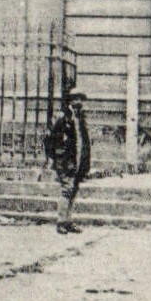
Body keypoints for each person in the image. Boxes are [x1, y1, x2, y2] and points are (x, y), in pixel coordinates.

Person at [44, 88, 91, 234]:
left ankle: (68, 221)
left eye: (81, 99)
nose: (79, 102)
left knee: (73, 190)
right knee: (67, 190)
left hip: (78, 160)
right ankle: (61, 222)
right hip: (66, 161)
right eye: (76, 98)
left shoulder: (80, 118)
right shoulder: (62, 118)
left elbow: (84, 141)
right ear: (70, 101)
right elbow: (49, 140)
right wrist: (56, 157)